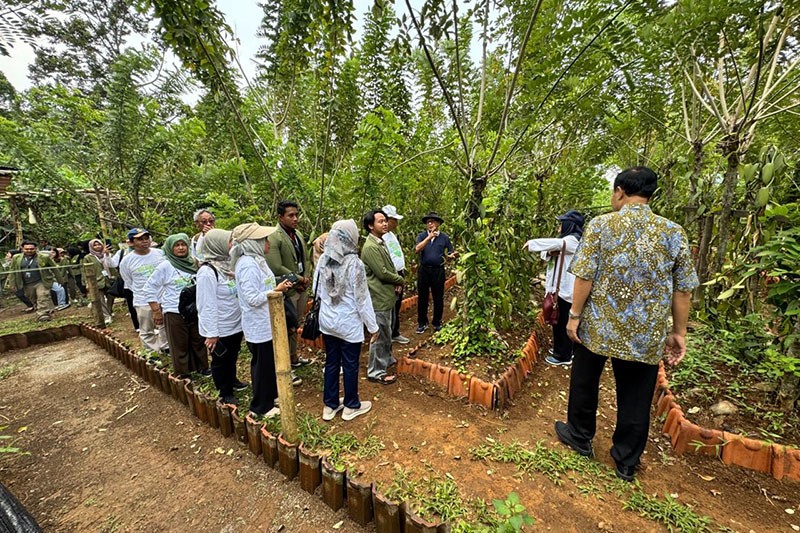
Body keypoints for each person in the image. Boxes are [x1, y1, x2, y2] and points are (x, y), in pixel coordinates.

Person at [555, 167, 698, 482]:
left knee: (585, 380)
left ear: (620, 191)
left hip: (598, 325)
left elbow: (584, 275)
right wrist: (679, 332)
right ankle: (626, 460)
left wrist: (574, 316)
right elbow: (684, 289)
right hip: (644, 333)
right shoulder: (673, 232)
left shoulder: (601, 225)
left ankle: (579, 436)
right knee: (636, 394)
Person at [315, 219, 379, 421]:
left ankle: (330, 405)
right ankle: (351, 405)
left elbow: (317, 290)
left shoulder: (323, 259)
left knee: (332, 362)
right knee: (350, 364)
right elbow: (362, 299)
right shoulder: (355, 264)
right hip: (348, 324)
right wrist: (373, 327)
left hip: (327, 322)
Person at [232, 222, 295, 418]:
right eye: (264, 240)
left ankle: (271, 395)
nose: (268, 243)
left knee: (269, 363)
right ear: (253, 243)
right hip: (258, 324)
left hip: (267, 321)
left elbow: (263, 286)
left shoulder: (257, 260)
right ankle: (261, 406)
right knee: (262, 365)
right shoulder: (248, 265)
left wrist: (277, 286)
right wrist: (276, 291)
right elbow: (251, 298)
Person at [524, 210, 585, 366]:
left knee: (562, 323)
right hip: (563, 289)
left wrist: (531, 243)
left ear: (569, 225)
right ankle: (566, 350)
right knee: (560, 321)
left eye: (561, 224)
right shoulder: (566, 241)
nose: (559, 227)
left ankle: (562, 355)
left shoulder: (573, 241)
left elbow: (555, 244)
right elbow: (548, 251)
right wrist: (549, 251)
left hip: (567, 290)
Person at [143, 233, 208, 377]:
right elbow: (149, 288)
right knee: (179, 343)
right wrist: (156, 310)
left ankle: (202, 367)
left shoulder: (194, 262)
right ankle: (183, 373)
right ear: (170, 248)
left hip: (195, 309)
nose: (181, 248)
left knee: (198, 340)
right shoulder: (165, 266)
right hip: (174, 310)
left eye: (183, 244)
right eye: (177, 245)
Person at [197, 229, 248, 404]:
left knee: (232, 355)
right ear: (217, 245)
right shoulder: (207, 272)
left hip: (234, 323)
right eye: (229, 242)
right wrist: (211, 333)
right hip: (220, 326)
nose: (232, 245)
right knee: (220, 360)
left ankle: (232, 380)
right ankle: (225, 391)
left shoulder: (227, 265)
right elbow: (206, 304)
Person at [266, 200, 312, 369]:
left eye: (296, 215)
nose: (295, 219)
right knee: (286, 326)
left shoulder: (297, 234)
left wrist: (306, 276)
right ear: (280, 217)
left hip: (300, 287)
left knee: (295, 324)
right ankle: (283, 361)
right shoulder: (274, 236)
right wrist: (298, 278)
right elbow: (276, 266)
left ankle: (294, 357)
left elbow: (305, 258)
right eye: (290, 215)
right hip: (287, 289)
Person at [360, 209, 404, 385]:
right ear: (370, 226)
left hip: (386, 295)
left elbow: (389, 267)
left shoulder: (380, 242)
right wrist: (399, 280)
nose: (385, 224)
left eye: (385, 220)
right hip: (378, 297)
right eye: (380, 221)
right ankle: (376, 371)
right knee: (379, 334)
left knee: (387, 331)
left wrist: (396, 282)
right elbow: (382, 272)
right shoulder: (370, 247)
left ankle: (386, 359)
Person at [119, 228, 167, 352]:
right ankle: (152, 351)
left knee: (164, 325)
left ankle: (166, 347)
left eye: (146, 238)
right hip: (142, 300)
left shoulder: (160, 254)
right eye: (140, 239)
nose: (144, 241)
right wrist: (142, 291)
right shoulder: (126, 261)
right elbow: (128, 281)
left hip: (163, 296)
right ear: (131, 242)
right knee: (146, 328)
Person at [414, 211, 457, 334]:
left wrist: (452, 256)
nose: (430, 224)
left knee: (438, 297)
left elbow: (450, 252)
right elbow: (417, 249)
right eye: (428, 222)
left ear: (438, 223)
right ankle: (422, 323)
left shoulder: (444, 238)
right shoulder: (422, 236)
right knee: (422, 297)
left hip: (438, 270)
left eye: (432, 222)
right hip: (424, 270)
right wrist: (429, 237)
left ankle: (437, 322)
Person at [8, 241, 62, 321]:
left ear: (36, 249)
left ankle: (43, 314)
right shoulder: (16, 258)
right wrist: (12, 283)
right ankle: (48, 310)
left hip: (41, 281)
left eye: (32, 249)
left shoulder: (43, 257)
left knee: (42, 296)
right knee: (33, 299)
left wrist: (60, 280)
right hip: (27, 283)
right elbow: (12, 271)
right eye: (27, 249)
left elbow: (54, 268)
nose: (29, 251)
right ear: (22, 249)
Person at [381, 205, 409, 345]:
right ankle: (389, 335)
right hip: (392, 276)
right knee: (391, 306)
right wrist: (395, 280)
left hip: (398, 274)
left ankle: (394, 332)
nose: (396, 223)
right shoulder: (381, 238)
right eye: (394, 220)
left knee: (396, 305)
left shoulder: (391, 235)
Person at [82, 238, 115, 325]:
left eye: (99, 244)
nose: (97, 246)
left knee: (111, 296)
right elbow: (85, 270)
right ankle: (106, 316)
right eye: (95, 245)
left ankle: (109, 310)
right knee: (101, 299)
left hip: (108, 279)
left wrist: (107, 255)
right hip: (96, 281)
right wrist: (86, 282)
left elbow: (112, 266)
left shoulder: (107, 254)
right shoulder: (88, 257)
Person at [108, 239, 139, 331]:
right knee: (132, 305)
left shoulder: (146, 252)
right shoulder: (122, 252)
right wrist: (107, 255)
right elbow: (113, 264)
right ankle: (137, 326)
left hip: (142, 283)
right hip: (128, 284)